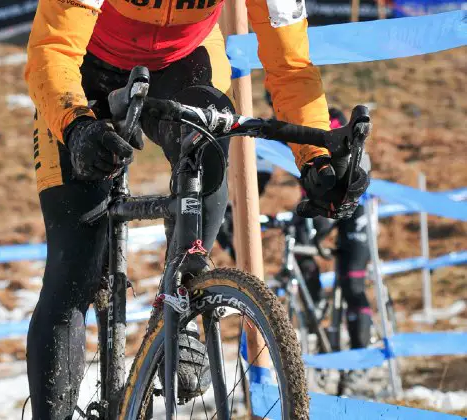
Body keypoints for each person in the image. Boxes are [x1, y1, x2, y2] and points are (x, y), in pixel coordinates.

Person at [23, 0, 369, 417]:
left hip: (183, 62)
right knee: (72, 271)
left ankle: (179, 303)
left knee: (207, 145)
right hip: (82, 71)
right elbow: (54, 48)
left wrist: (316, 159)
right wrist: (75, 125)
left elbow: (291, 66)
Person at [217, 106, 373, 391]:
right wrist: (234, 208)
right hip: (314, 201)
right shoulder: (277, 128)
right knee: (301, 252)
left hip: (352, 202)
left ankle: (359, 363)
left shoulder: (328, 116)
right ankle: (316, 316)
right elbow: (258, 173)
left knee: (353, 280)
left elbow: (351, 162)